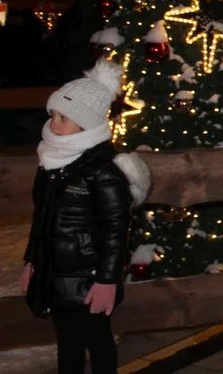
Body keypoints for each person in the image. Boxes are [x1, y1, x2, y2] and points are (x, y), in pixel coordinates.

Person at [20, 60, 151, 374]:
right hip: (55, 271)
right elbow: (42, 219)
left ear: (87, 123)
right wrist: (32, 261)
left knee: (97, 339)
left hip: (89, 276)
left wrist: (107, 279)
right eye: (53, 115)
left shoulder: (103, 170)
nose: (54, 124)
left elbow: (116, 230)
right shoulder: (51, 161)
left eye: (64, 117)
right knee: (67, 340)